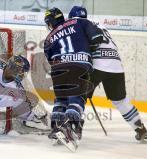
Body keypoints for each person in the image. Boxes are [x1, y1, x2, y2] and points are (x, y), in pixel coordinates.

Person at [68, 6, 147, 142]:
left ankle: (74, 127)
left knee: (78, 95)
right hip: (116, 66)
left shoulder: (77, 25)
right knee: (120, 100)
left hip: (97, 65)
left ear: (71, 18)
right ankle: (140, 129)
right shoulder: (99, 24)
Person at [43, 7, 104, 145]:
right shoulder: (79, 22)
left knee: (61, 100)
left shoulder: (49, 37)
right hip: (79, 65)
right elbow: (97, 37)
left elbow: (50, 58)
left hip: (58, 70)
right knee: (77, 98)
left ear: (50, 22)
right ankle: (70, 125)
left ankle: (56, 127)